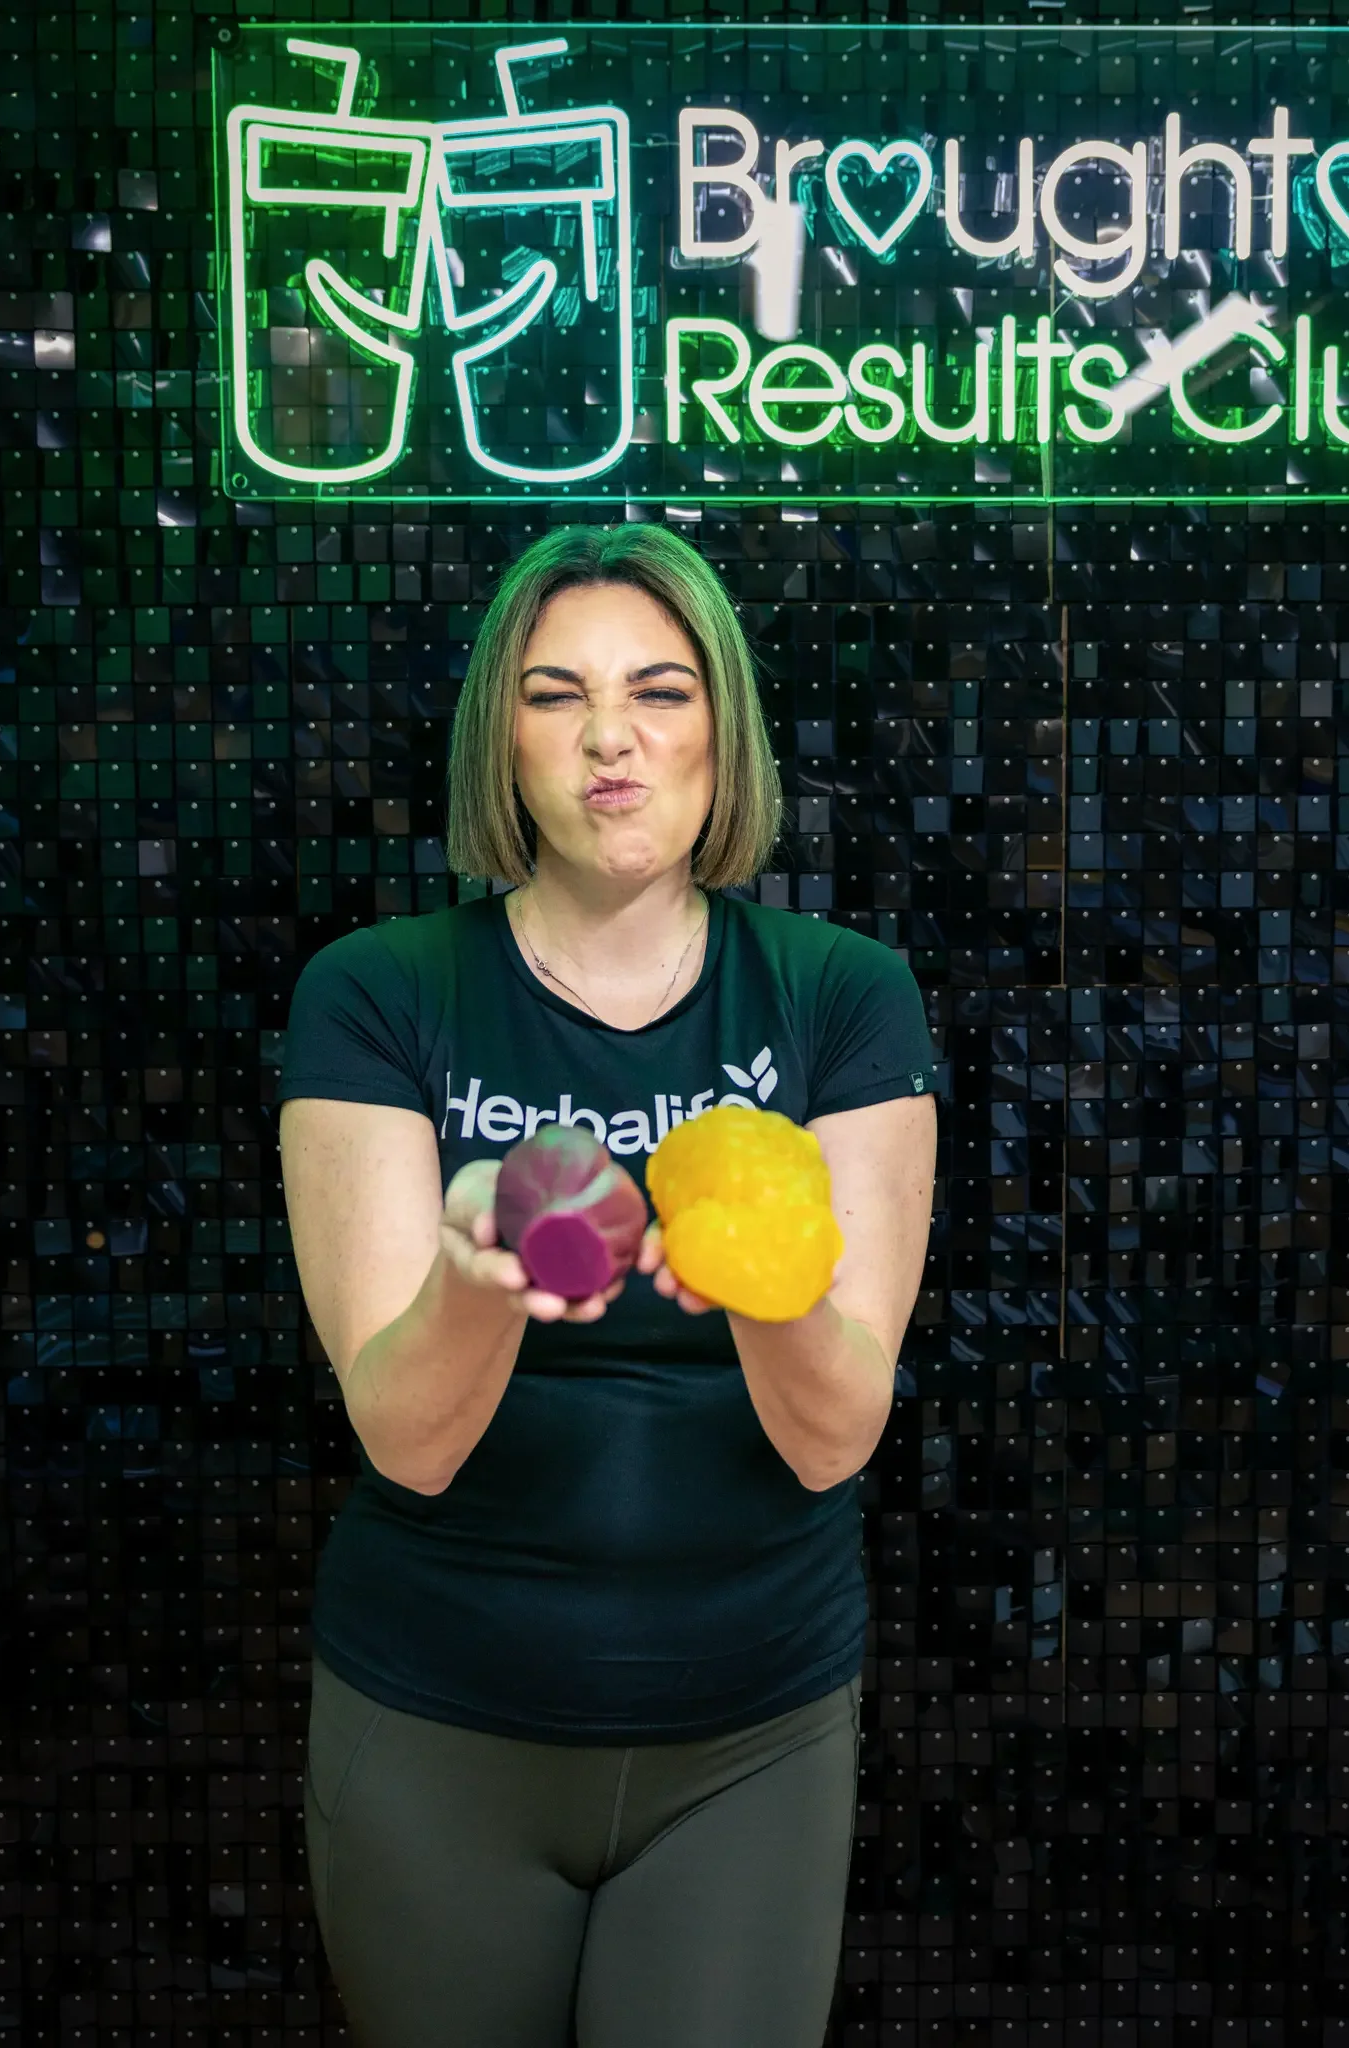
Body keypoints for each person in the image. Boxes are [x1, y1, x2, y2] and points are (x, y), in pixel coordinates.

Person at [276, 523, 939, 2048]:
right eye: (554, 695)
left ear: (721, 729)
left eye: (658, 690)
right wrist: (479, 1280)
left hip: (751, 1732)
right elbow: (407, 1441)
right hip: (436, 1717)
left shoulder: (841, 994)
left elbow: (834, 1439)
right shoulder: (378, 991)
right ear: (501, 740)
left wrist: (762, 1281)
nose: (610, 738)